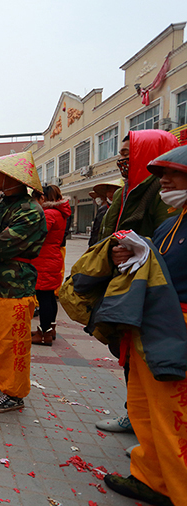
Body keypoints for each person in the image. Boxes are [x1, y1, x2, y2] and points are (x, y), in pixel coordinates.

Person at [90, 144, 187, 506]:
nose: (165, 181)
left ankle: (179, 489)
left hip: (175, 329)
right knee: (146, 408)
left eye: (174, 174)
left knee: (174, 415)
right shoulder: (169, 223)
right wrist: (127, 254)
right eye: (162, 174)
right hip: (151, 325)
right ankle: (152, 478)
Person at [96, 129, 178, 434]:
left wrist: (136, 251)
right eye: (121, 155)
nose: (122, 161)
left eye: (128, 155)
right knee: (129, 353)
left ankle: (152, 424)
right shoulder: (125, 192)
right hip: (124, 282)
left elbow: (166, 247)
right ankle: (138, 416)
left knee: (152, 357)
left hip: (152, 288)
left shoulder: (162, 194)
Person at [0, 151, 47, 413]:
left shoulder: (31, 210)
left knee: (12, 340)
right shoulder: (2, 203)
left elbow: (1, 245)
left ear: (14, 178)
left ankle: (14, 392)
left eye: (1, 173)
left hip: (15, 285)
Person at [29, 185, 70, 346]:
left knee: (44, 297)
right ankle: (49, 329)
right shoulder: (58, 212)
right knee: (50, 296)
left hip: (44, 259)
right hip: (51, 257)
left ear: (43, 198)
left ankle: (44, 334)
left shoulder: (49, 214)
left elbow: (38, 234)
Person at [88, 179, 122, 246]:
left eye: (115, 191)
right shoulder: (102, 210)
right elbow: (95, 230)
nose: (111, 193)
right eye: (109, 191)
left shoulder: (123, 208)